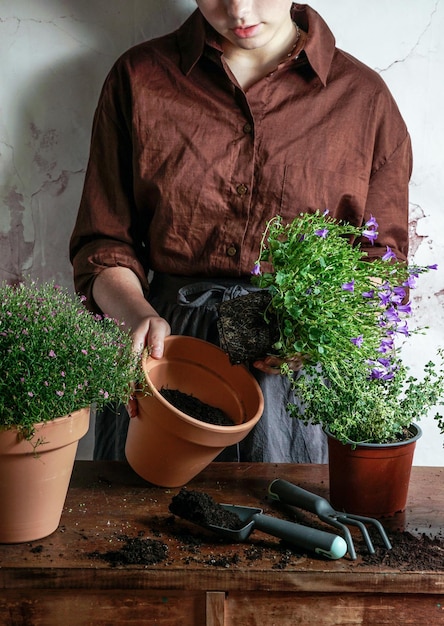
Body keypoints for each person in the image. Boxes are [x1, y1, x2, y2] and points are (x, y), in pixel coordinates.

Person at [70, 1, 412, 463]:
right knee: (139, 522)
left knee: (285, 523)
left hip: (292, 380)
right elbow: (104, 243)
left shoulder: (363, 99)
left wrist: (307, 337)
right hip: (165, 353)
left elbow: (382, 267)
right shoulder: (138, 78)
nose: (238, 9)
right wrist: (134, 313)